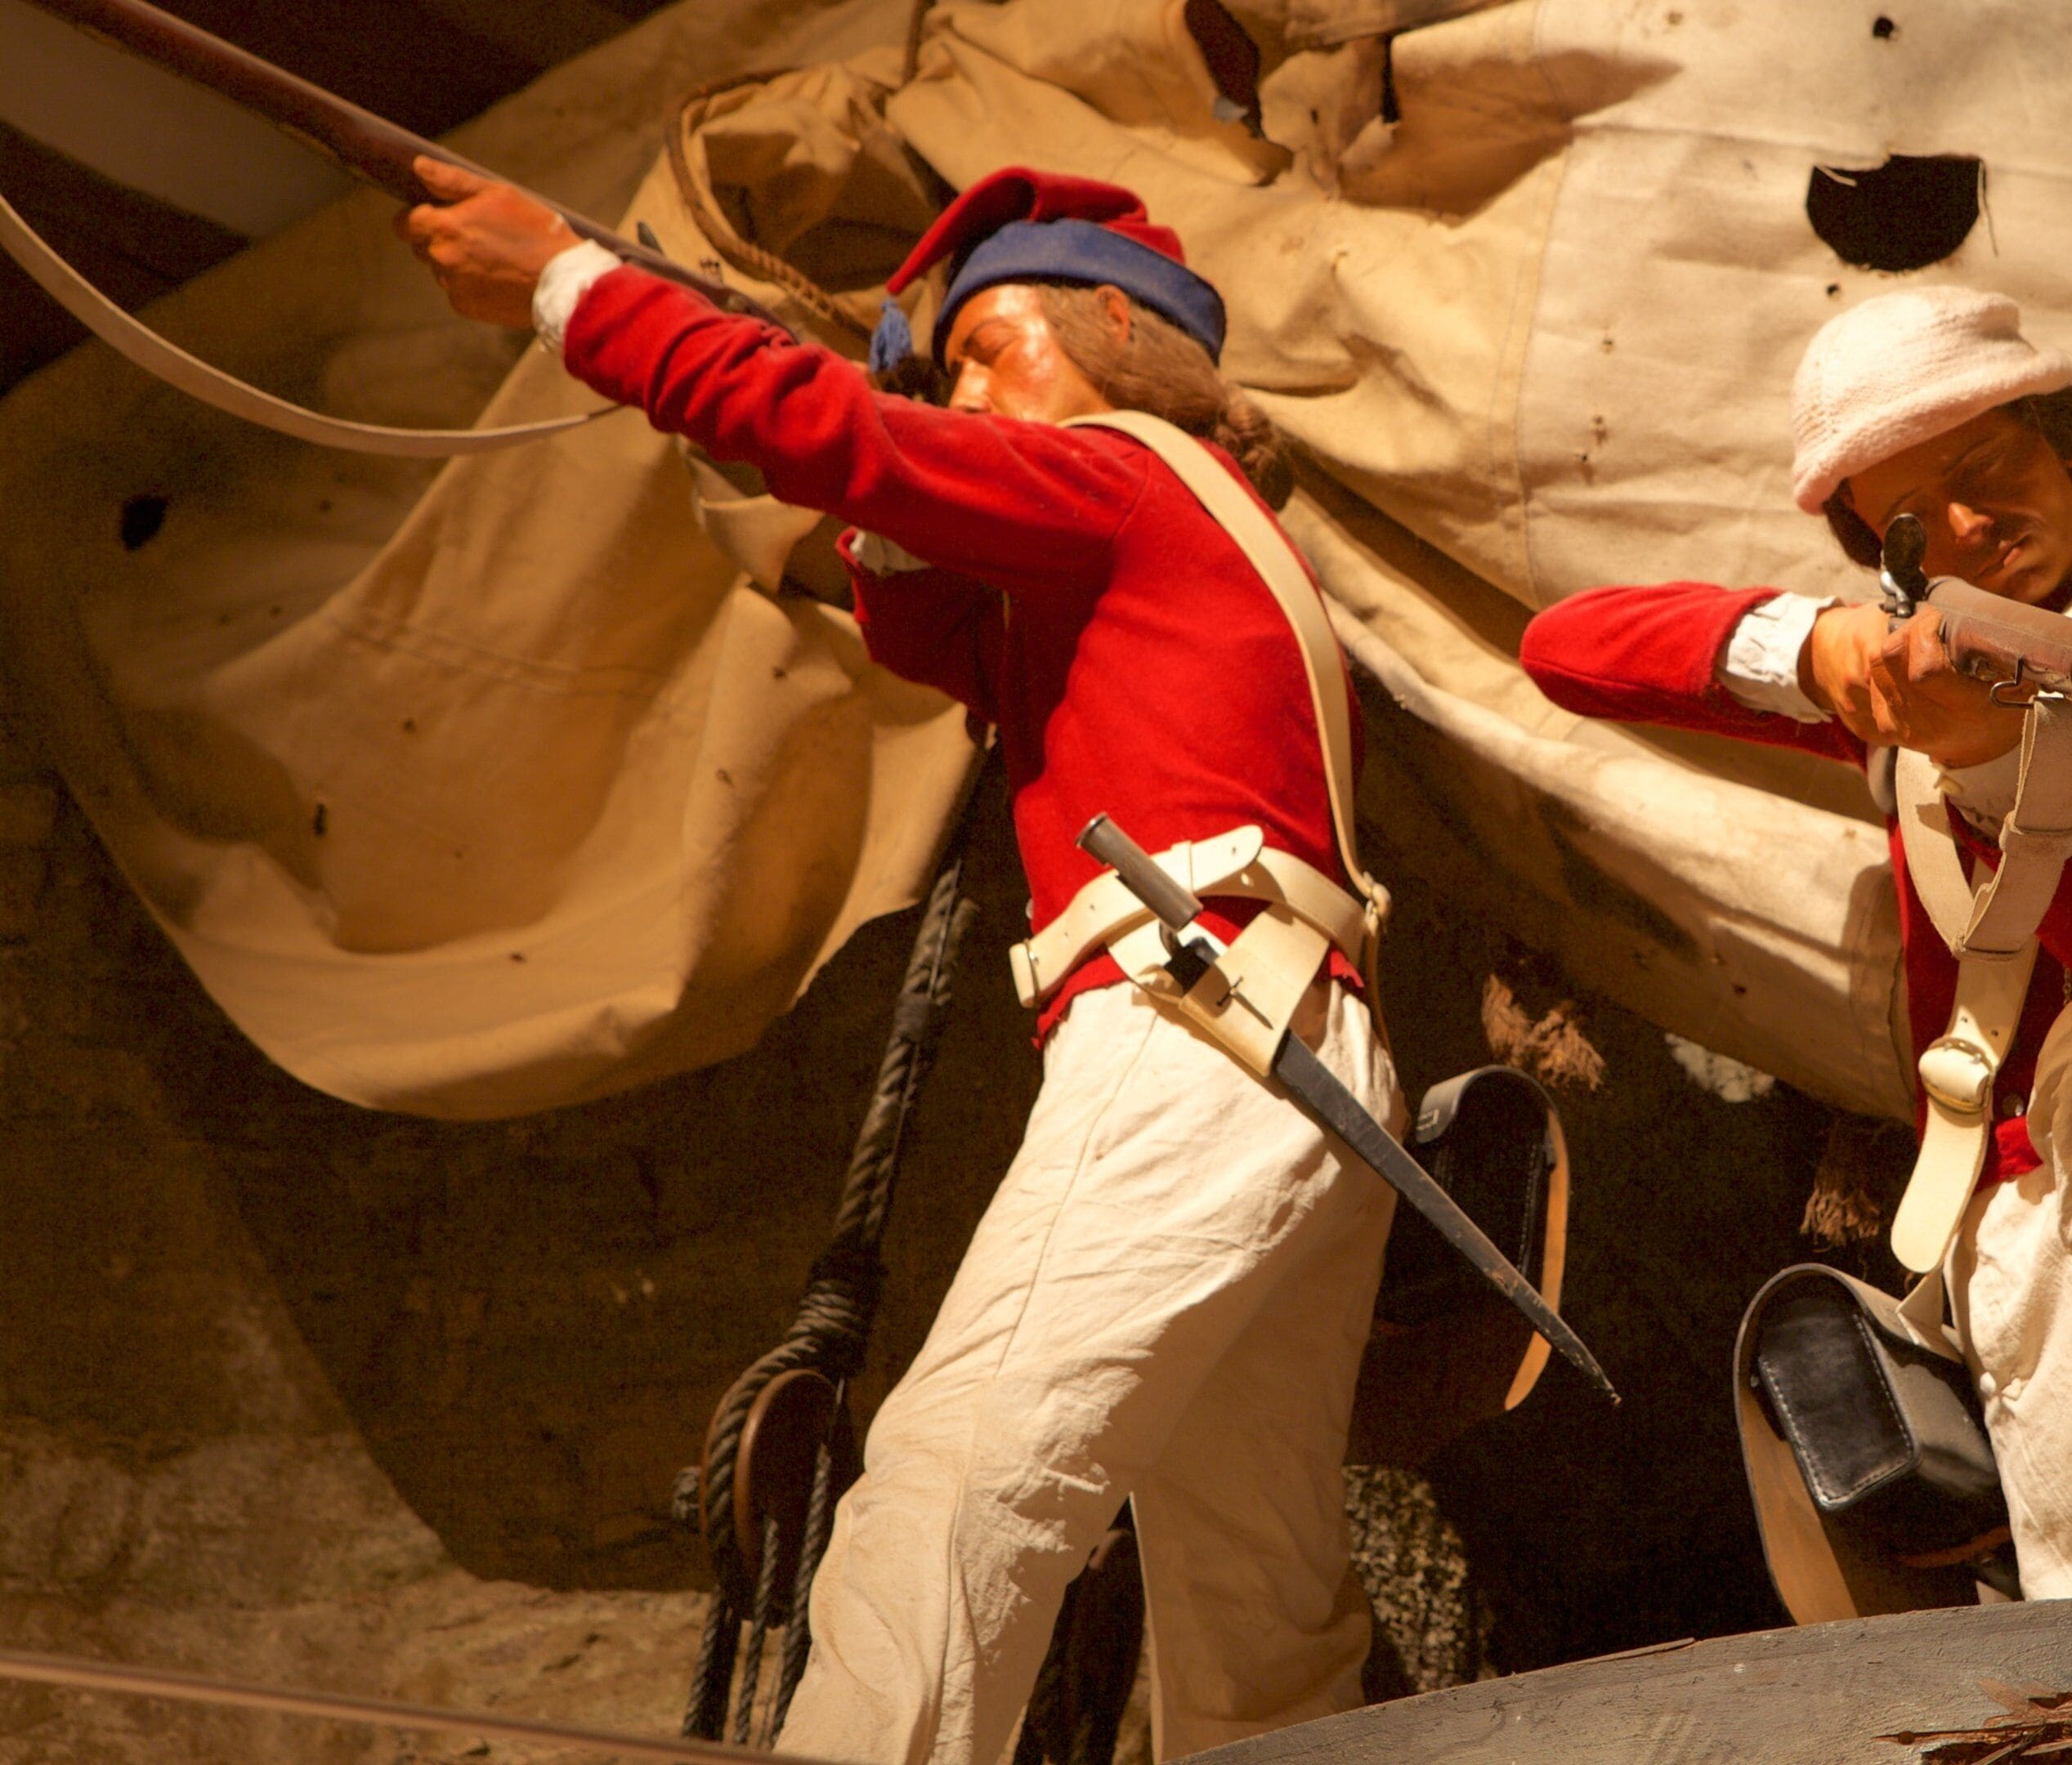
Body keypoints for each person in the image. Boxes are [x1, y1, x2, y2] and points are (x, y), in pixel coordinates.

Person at [400, 160, 1399, 1760]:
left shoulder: (1122, 472)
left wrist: (571, 291)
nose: (969, 391)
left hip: (1192, 1028)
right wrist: (868, 431)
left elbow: (858, 449)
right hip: (1299, 1057)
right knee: (1260, 1629)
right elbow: (907, 572)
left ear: (1119, 339)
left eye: (997, 345)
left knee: (951, 1495)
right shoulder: (1183, 535)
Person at [1521, 287, 2072, 1594]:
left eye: (1985, 469)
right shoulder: (1923, 670)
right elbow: (1568, 649)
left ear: (2065, 438)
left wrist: (1993, 748)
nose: (1963, 530)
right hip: (2023, 1239)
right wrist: (1818, 649)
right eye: (1903, 523)